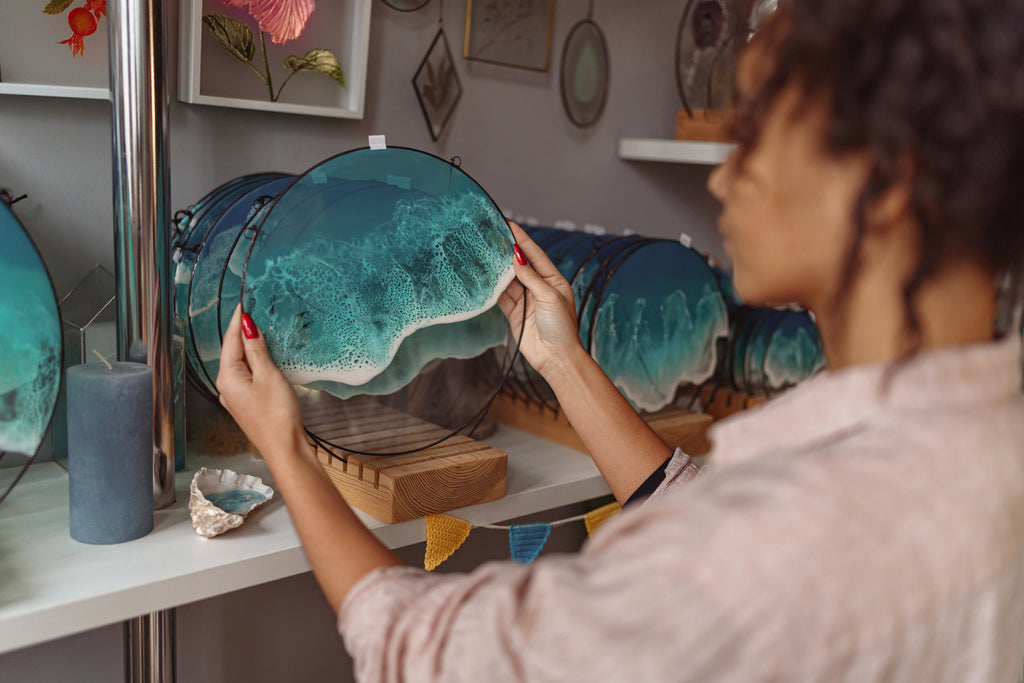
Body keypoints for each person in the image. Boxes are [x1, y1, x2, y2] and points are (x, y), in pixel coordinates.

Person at [216, 1, 1024, 680]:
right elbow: (703, 511)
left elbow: (429, 652)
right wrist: (561, 356)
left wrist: (287, 449)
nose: (720, 176)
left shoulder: (787, 538)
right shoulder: (983, 446)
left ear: (888, 180)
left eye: (754, 135)